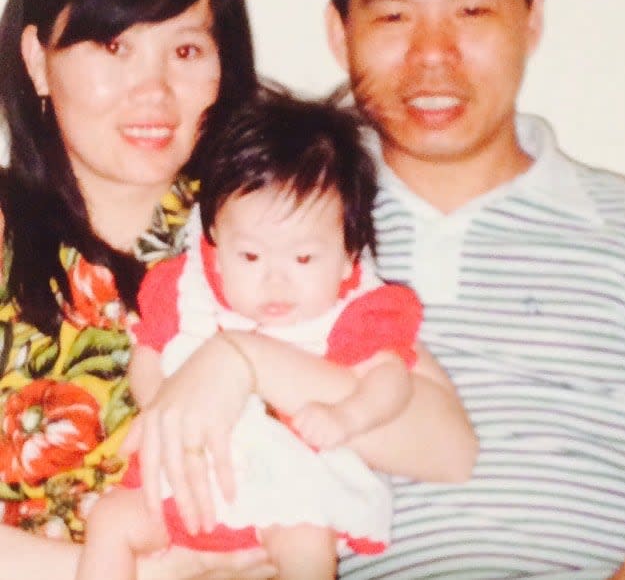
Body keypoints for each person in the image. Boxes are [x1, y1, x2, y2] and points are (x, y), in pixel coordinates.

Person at [318, 0, 625, 579]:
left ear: (530, 19)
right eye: (393, 15)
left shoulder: (618, 230)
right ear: (340, 33)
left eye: (471, 11)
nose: (433, 55)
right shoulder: (267, 224)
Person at [0, 0, 282, 580]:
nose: (152, 92)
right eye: (113, 46)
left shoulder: (276, 229)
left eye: (184, 52)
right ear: (38, 60)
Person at [78, 90, 429, 580]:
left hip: (290, 486)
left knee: (307, 542)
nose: (275, 280)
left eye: (304, 258)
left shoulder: (356, 311)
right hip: (188, 485)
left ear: (350, 255)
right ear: (215, 245)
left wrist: (348, 416)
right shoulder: (185, 292)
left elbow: (390, 379)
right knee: (111, 521)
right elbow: (149, 356)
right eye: (250, 257)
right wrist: (162, 405)